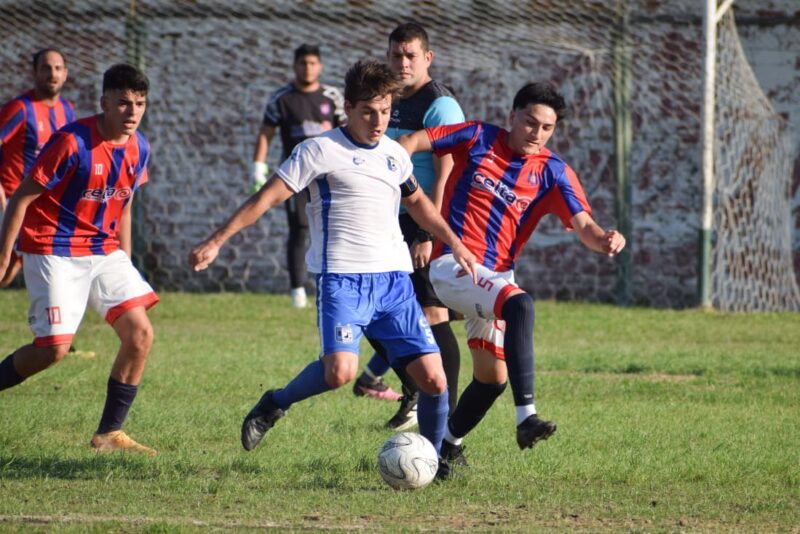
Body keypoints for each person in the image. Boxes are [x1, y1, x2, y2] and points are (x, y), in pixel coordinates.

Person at [189, 59, 477, 466]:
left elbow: (418, 205)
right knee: (339, 373)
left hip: (394, 282)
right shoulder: (319, 150)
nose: (378, 121)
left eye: (384, 111)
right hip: (342, 279)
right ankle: (275, 403)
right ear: (347, 107)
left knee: (434, 379)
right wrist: (217, 240)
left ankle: (433, 463)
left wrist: (454, 243)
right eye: (367, 112)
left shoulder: (395, 155)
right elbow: (268, 196)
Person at [399, 82, 626, 470]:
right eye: (530, 122)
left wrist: (604, 239)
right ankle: (526, 418)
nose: (536, 134)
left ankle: (447, 447)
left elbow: (584, 224)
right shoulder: (476, 136)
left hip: (494, 276)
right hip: (452, 265)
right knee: (520, 304)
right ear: (512, 116)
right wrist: (404, 184)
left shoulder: (553, 171)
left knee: (491, 378)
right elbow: (409, 143)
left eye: (546, 128)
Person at [0, 63, 159, 456]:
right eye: (123, 103)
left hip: (103, 251)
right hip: (53, 247)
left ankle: (109, 434)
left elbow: (125, 200)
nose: (132, 112)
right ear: (104, 103)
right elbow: (22, 196)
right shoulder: (72, 142)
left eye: (139, 104)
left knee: (140, 335)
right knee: (52, 349)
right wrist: (3, 256)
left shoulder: (140, 146)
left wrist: (126, 254)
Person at [352, 22, 466, 433]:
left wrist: (427, 234)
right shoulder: (388, 100)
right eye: (396, 55)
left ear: (427, 58)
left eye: (410, 56)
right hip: (385, 219)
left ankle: (444, 413)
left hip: (422, 219)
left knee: (433, 312)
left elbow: (447, 174)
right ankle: (417, 392)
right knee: (369, 311)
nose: (402, 63)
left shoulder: (441, 106)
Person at [251, 44, 346, 308]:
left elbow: (348, 131)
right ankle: (297, 290)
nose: (308, 68)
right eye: (303, 63)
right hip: (295, 176)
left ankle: (332, 281)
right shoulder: (281, 98)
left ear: (321, 66)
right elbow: (265, 133)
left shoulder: (332, 97)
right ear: (294, 66)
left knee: (334, 226)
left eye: (313, 63)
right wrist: (258, 166)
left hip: (329, 175)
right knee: (300, 228)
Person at [0, 48, 75, 287]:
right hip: (11, 199)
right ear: (34, 73)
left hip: (43, 204)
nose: (52, 73)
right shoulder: (20, 108)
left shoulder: (67, 110)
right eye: (45, 68)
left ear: (65, 74)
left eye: (57, 68)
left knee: (15, 261)